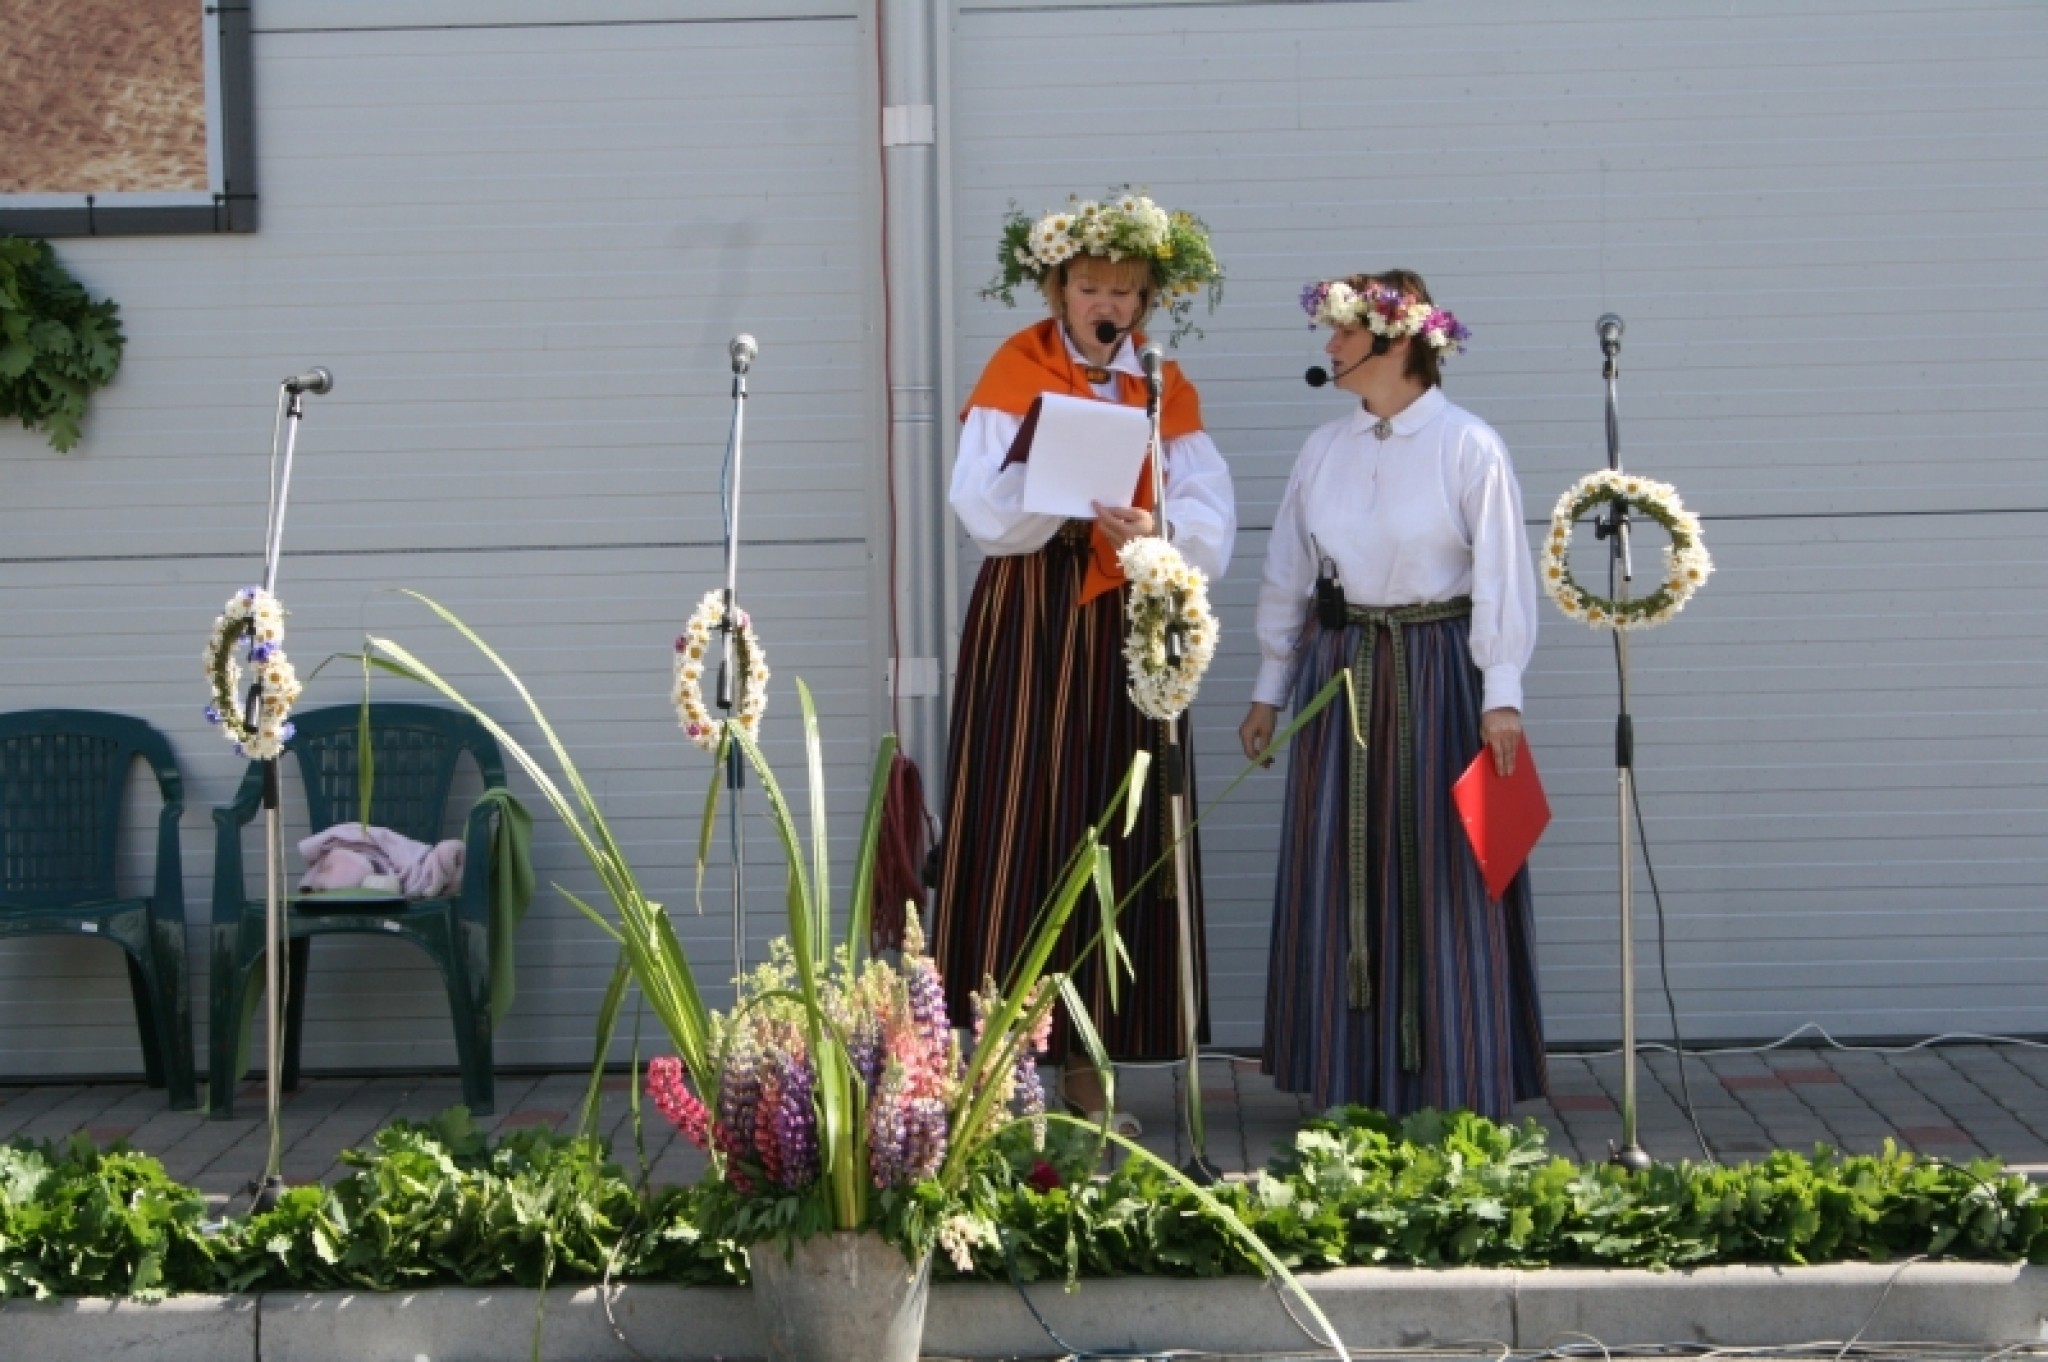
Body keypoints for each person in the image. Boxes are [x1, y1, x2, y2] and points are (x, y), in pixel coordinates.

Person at [932, 191, 1232, 1128]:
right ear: (1060, 289)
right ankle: (999, 1078)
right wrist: (1059, 489)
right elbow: (979, 509)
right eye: (1092, 285)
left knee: (1116, 825)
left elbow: (1212, 517)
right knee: (1018, 826)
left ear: (1146, 302)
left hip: (1129, 614)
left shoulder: (1161, 389)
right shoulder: (1017, 368)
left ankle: (1090, 1080)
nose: (1109, 302)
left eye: (1127, 290)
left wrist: (1161, 527)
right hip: (1029, 618)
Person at [1239, 270, 1546, 1120]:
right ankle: (1350, 1082)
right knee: (1340, 861)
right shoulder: (1324, 450)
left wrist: (1502, 691)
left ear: (1398, 342)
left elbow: (1502, 579)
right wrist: (1271, 685)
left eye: (1343, 333)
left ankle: (1453, 1077)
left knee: (1444, 867)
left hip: (1438, 672)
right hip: (1339, 672)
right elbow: (1288, 575)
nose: (1330, 348)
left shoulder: (1468, 446)